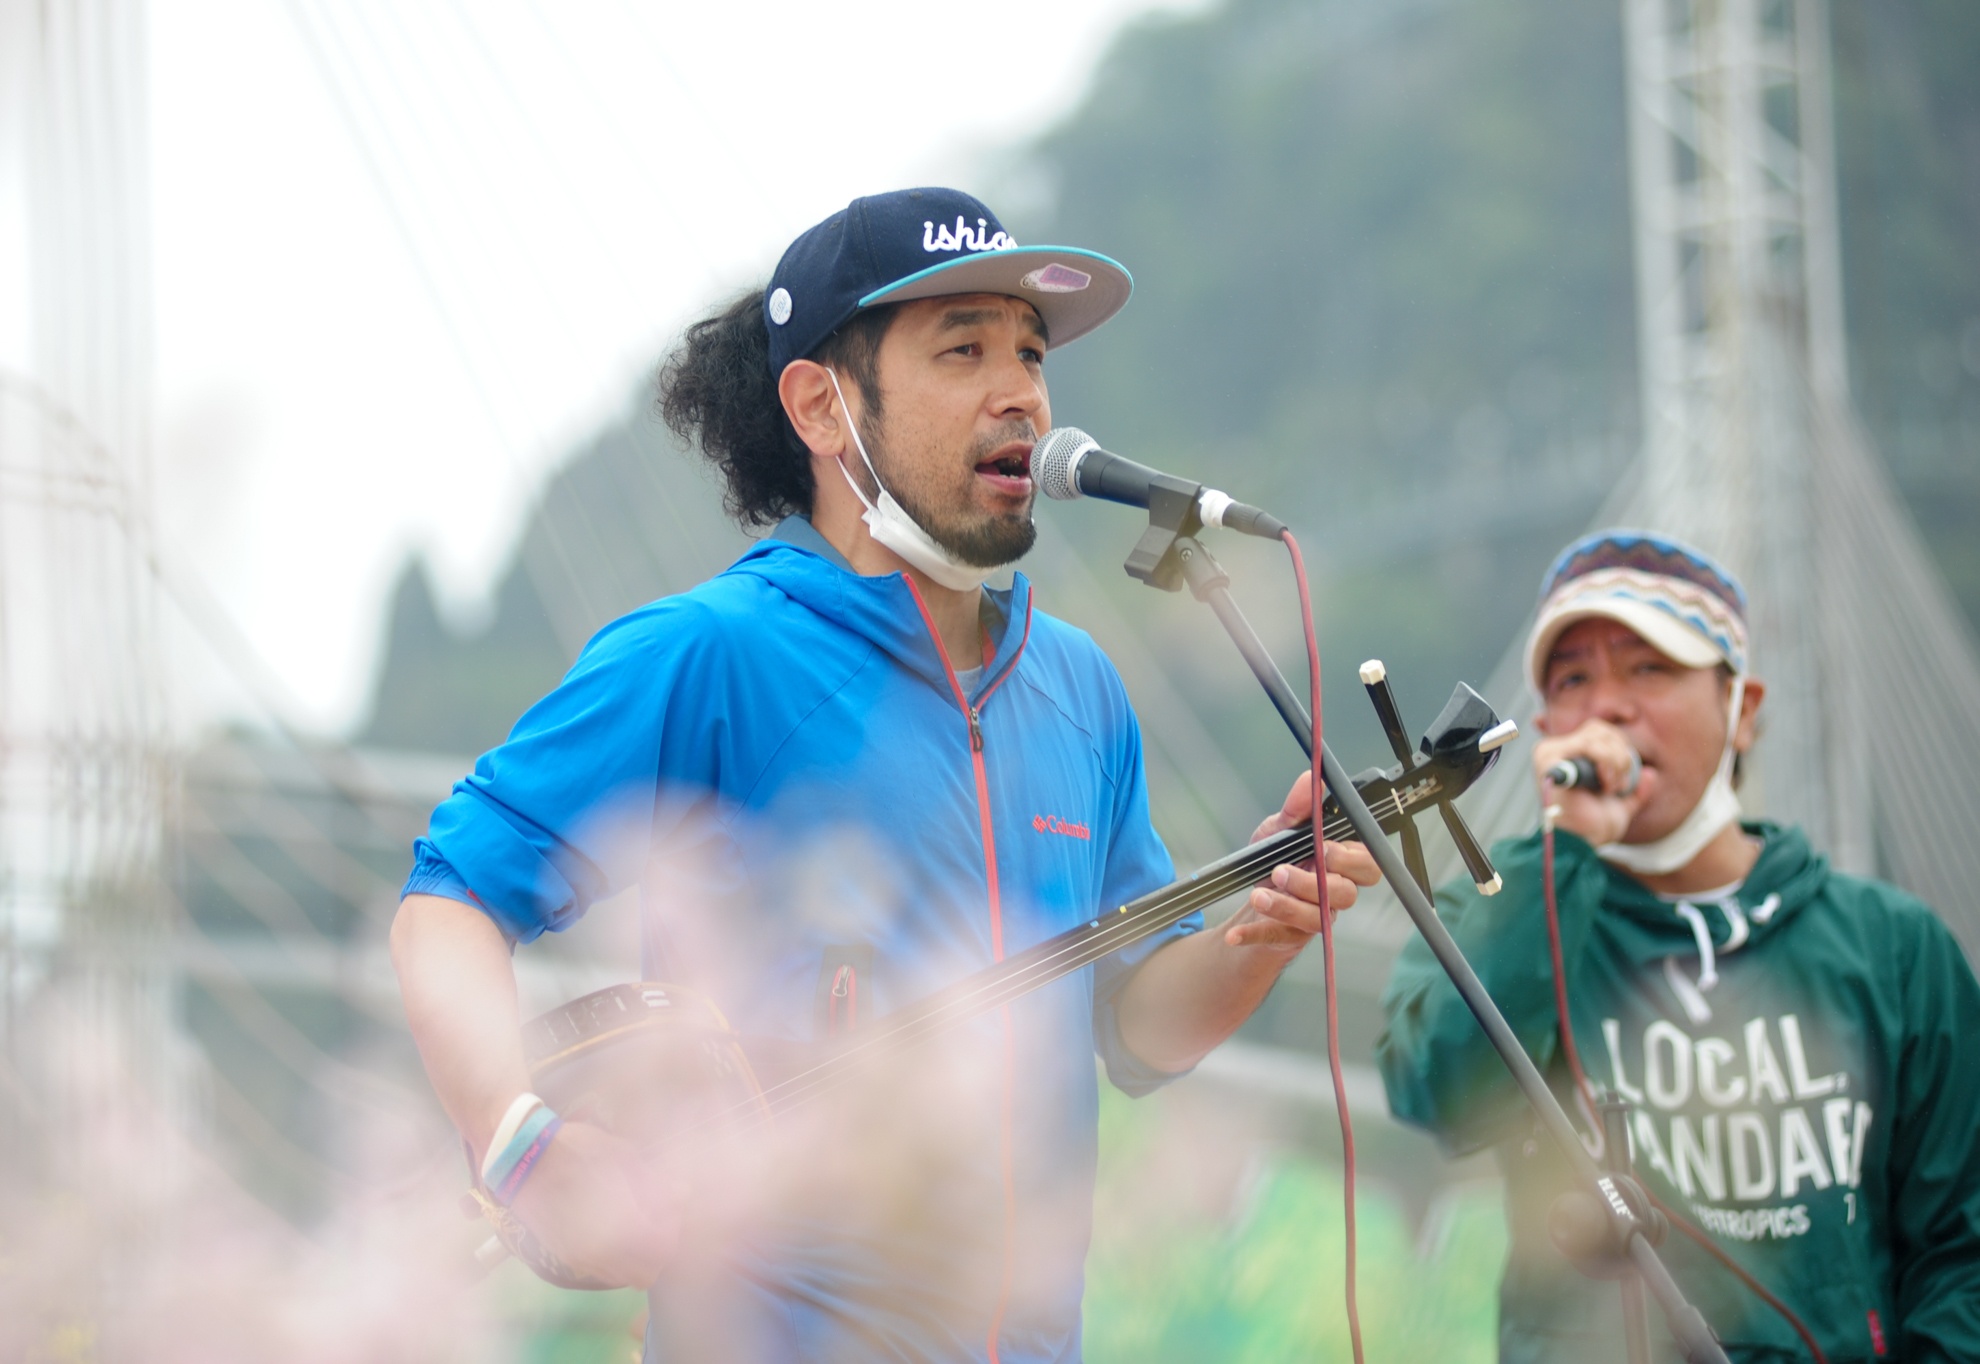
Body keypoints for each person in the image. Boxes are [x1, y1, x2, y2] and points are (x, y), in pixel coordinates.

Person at [390, 186, 1377, 1363]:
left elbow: (1136, 1032)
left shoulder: (1082, 686)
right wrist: (518, 1139)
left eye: (1029, 350)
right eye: (962, 349)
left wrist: (1262, 930)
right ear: (820, 404)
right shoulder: (710, 652)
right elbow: (447, 899)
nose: (1019, 389)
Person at [1377, 529, 1980, 1362]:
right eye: (1573, 679)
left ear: (1744, 711)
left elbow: (1962, 1245)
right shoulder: (1504, 913)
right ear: (1547, 727)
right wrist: (1564, 857)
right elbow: (1433, 1093)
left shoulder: (1894, 946)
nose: (1609, 706)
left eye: (1650, 668)